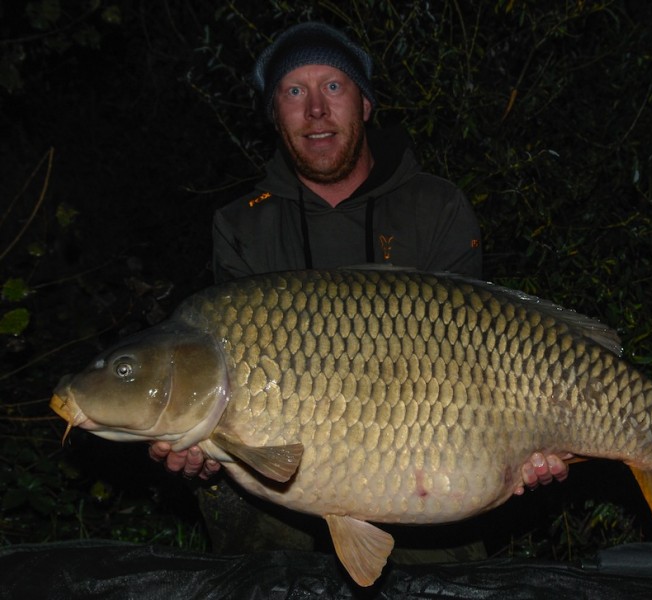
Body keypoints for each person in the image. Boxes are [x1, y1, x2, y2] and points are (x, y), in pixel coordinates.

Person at [150, 21, 570, 558]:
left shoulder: (436, 207)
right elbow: (229, 381)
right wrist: (202, 449)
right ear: (276, 117)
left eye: (333, 86)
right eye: (294, 91)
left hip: (429, 478)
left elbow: (486, 354)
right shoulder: (240, 225)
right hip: (278, 521)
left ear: (366, 105)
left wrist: (525, 446)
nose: (316, 110)